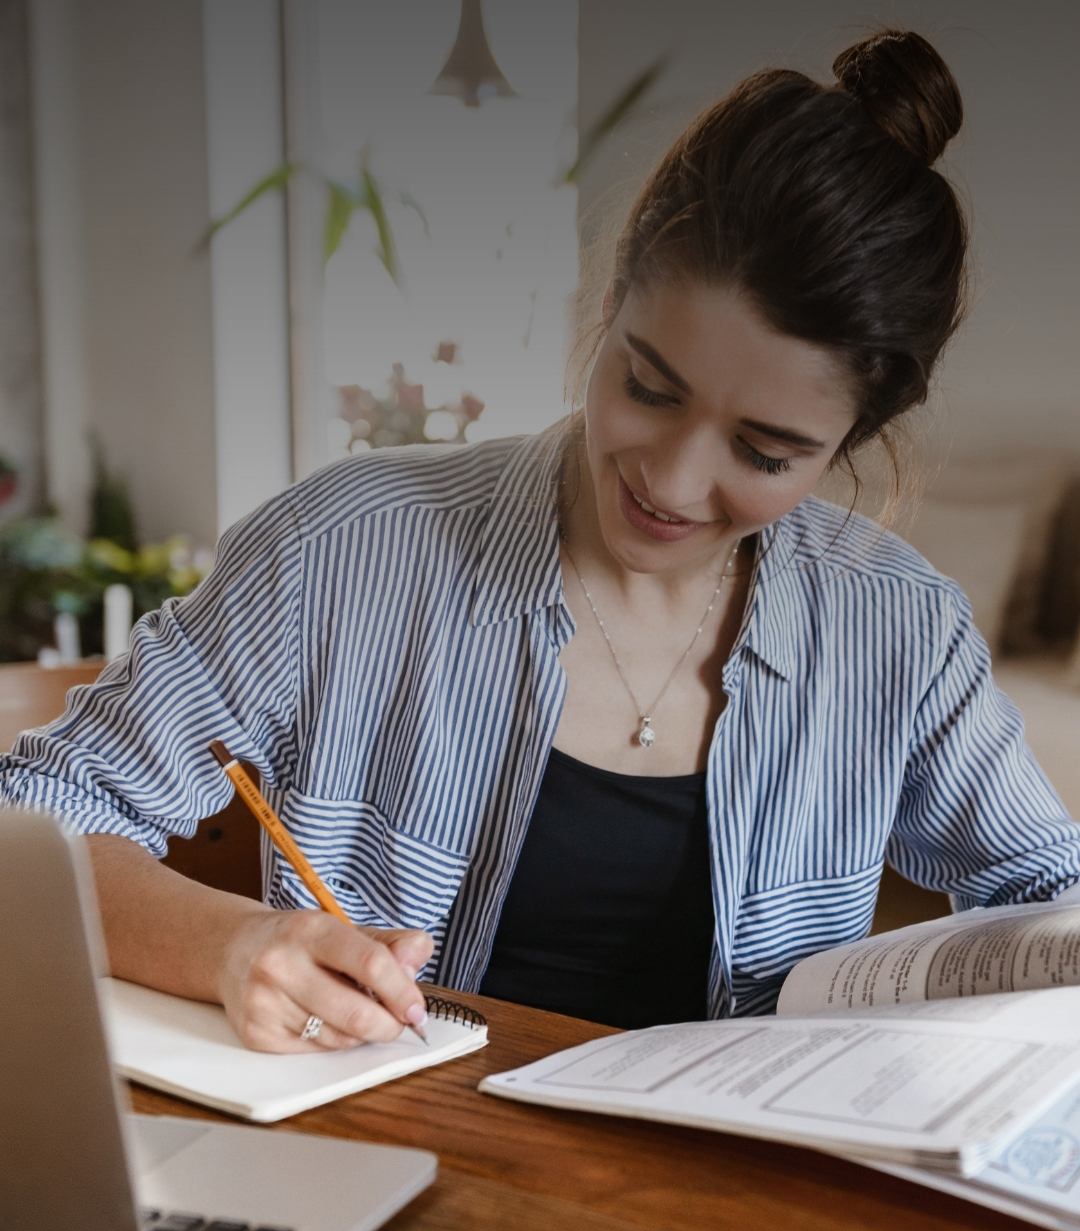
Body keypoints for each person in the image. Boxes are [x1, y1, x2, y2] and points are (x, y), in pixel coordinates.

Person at [3, 29, 1079, 1048]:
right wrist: (235, 945)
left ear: (853, 440)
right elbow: (31, 821)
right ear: (609, 303)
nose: (671, 481)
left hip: (735, 1175)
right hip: (402, 1146)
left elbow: (1051, 899)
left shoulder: (899, 626)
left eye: (763, 452)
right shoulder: (340, 551)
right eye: (648, 388)